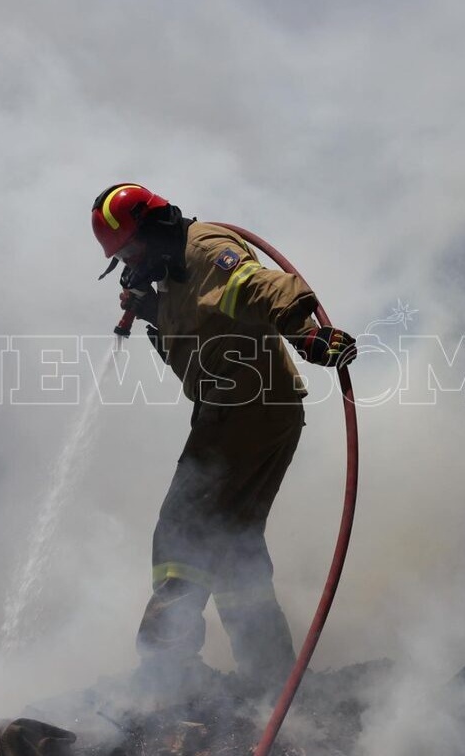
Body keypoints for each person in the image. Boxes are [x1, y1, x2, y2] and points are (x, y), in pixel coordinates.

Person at [91, 183, 356, 695]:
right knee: (235, 545)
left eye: (130, 250)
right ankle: (270, 674)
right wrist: (151, 309)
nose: (129, 262)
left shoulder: (207, 250)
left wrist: (308, 336)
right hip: (236, 410)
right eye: (120, 257)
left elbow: (260, 287)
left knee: (182, 528)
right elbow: (198, 322)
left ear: (154, 227)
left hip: (247, 409)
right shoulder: (171, 272)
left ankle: (168, 669)